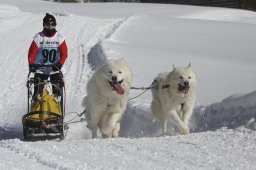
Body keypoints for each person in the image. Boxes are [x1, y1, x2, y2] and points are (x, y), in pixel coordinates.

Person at [28, 13, 68, 100]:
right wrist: (31, 64)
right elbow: (32, 53)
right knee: (37, 94)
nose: (50, 27)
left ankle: (56, 105)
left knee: (57, 93)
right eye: (47, 24)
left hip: (55, 68)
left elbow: (64, 54)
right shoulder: (38, 37)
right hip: (40, 68)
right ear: (43, 25)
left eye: (52, 24)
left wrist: (60, 64)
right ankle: (36, 105)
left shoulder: (60, 38)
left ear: (55, 25)